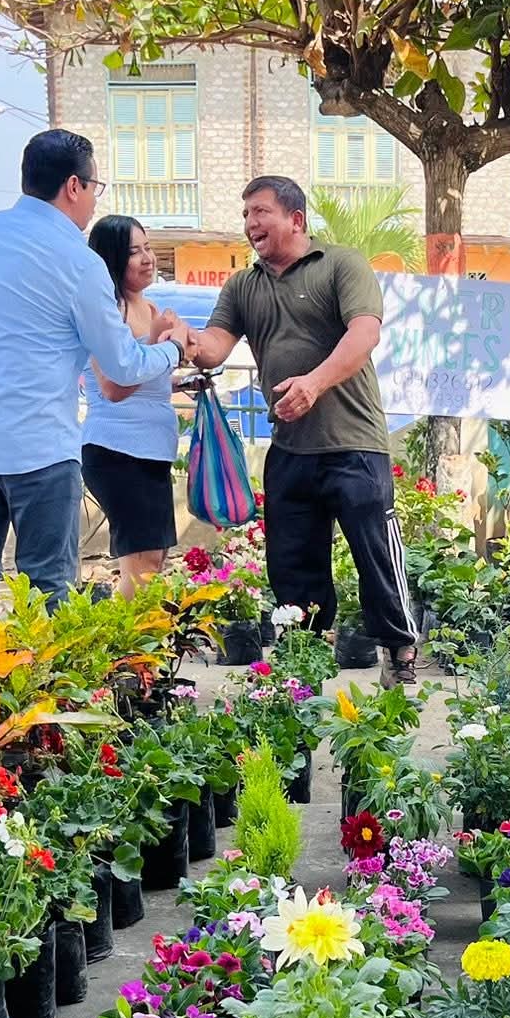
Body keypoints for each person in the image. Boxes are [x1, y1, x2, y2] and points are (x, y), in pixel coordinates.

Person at [0, 129, 176, 632]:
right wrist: (171, 350)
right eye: (95, 187)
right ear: (74, 187)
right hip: (38, 449)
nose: (93, 201)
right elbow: (123, 366)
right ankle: (49, 683)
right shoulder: (79, 262)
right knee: (48, 584)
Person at [187, 175, 418, 684]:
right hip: (290, 449)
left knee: (377, 555)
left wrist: (313, 383)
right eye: (245, 214)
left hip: (355, 444)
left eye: (260, 212)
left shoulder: (341, 264)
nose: (250, 223)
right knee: (291, 566)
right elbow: (215, 347)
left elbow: (365, 333)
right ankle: (302, 666)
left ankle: (399, 652)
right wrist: (184, 340)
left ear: (295, 218)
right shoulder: (243, 286)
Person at [81, 217, 189, 596]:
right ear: (111, 258)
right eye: (133, 252)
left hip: (152, 450)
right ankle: (125, 634)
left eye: (147, 248)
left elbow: (148, 380)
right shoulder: (107, 312)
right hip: (117, 450)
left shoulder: (151, 307)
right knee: (141, 566)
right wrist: (165, 346)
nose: (147, 258)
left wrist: (183, 381)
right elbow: (114, 387)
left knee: (154, 561)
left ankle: (135, 632)